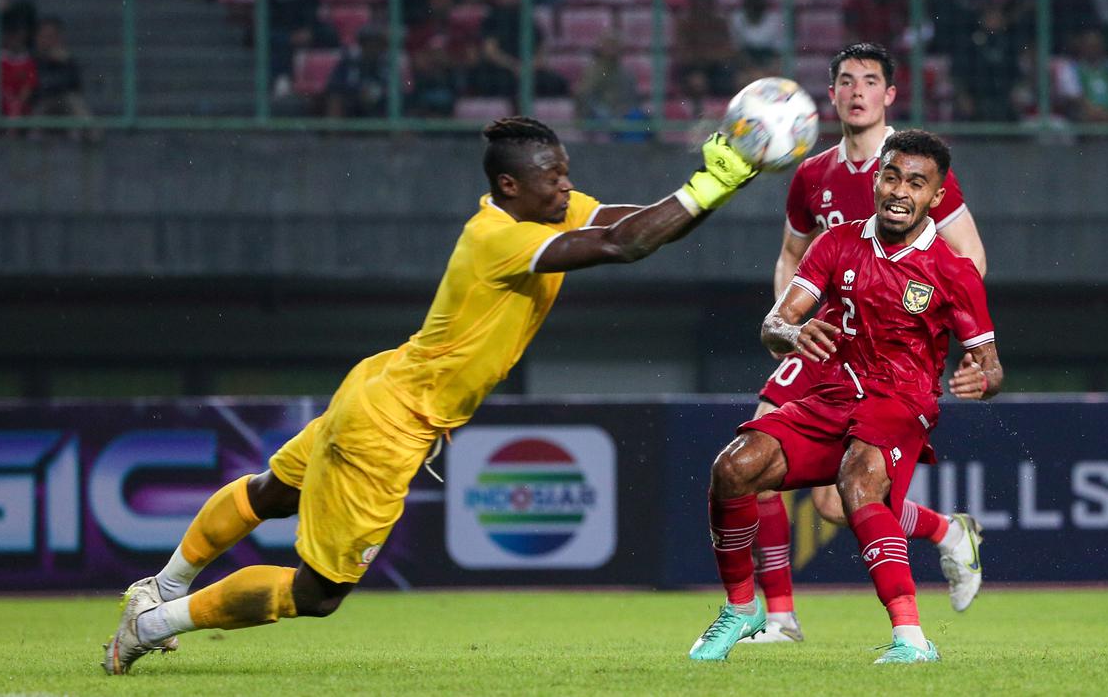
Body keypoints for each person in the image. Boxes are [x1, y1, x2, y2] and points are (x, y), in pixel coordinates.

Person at [102, 117, 760, 675]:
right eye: (552, 176)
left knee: (274, 492)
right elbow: (623, 245)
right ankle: (157, 621)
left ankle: (160, 585)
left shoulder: (544, 211)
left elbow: (630, 222)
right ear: (509, 186)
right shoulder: (497, 238)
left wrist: (706, 193)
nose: (565, 186)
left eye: (565, 172)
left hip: (381, 383)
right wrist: (714, 182)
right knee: (319, 592)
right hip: (390, 425)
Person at [689, 129, 1003, 663]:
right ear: (877, 179)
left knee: (857, 484)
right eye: (892, 176)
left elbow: (990, 367)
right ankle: (743, 609)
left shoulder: (953, 273)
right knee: (733, 469)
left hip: (902, 402)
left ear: (936, 197)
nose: (900, 191)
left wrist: (981, 380)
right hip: (832, 393)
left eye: (917, 183)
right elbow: (775, 322)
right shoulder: (835, 243)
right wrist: (791, 333)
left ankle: (911, 639)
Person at [738, 43, 987, 645]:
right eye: (845, 80)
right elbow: (790, 257)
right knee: (754, 464)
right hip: (824, 345)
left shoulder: (917, 166)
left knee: (836, 504)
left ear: (889, 95)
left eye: (869, 81)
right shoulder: (812, 174)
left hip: (890, 360)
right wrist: (789, 328)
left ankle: (946, 533)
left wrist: (942, 339)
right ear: (829, 95)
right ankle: (780, 618)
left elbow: (969, 259)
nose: (856, 92)